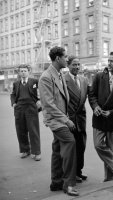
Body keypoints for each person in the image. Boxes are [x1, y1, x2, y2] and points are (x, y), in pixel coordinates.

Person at [38, 47, 79, 196]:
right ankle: (68, 184)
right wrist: (66, 120)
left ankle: (56, 182)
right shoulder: (46, 77)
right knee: (70, 142)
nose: (67, 59)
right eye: (65, 57)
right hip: (56, 120)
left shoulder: (60, 73)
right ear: (57, 58)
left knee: (57, 149)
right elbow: (48, 104)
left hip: (60, 117)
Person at [88, 51, 113, 182]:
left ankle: (110, 179)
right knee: (98, 145)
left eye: (112, 61)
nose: (109, 63)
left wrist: (112, 112)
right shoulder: (99, 76)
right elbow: (91, 95)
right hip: (99, 118)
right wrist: (95, 107)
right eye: (108, 61)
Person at [65, 56, 89, 182]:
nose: (77, 67)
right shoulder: (63, 79)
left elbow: (92, 96)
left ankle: (78, 171)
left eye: (78, 64)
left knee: (81, 146)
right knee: (71, 148)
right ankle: (71, 173)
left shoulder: (84, 79)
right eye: (74, 64)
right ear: (68, 65)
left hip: (81, 118)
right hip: (70, 119)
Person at [10, 64, 41, 161]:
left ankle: (36, 153)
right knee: (21, 131)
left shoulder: (35, 81)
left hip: (31, 108)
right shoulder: (16, 83)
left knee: (33, 131)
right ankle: (25, 150)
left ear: (29, 72)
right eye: (21, 71)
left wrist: (39, 100)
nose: (23, 72)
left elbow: (41, 92)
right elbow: (13, 94)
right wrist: (14, 103)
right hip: (19, 109)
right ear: (19, 72)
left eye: (25, 71)